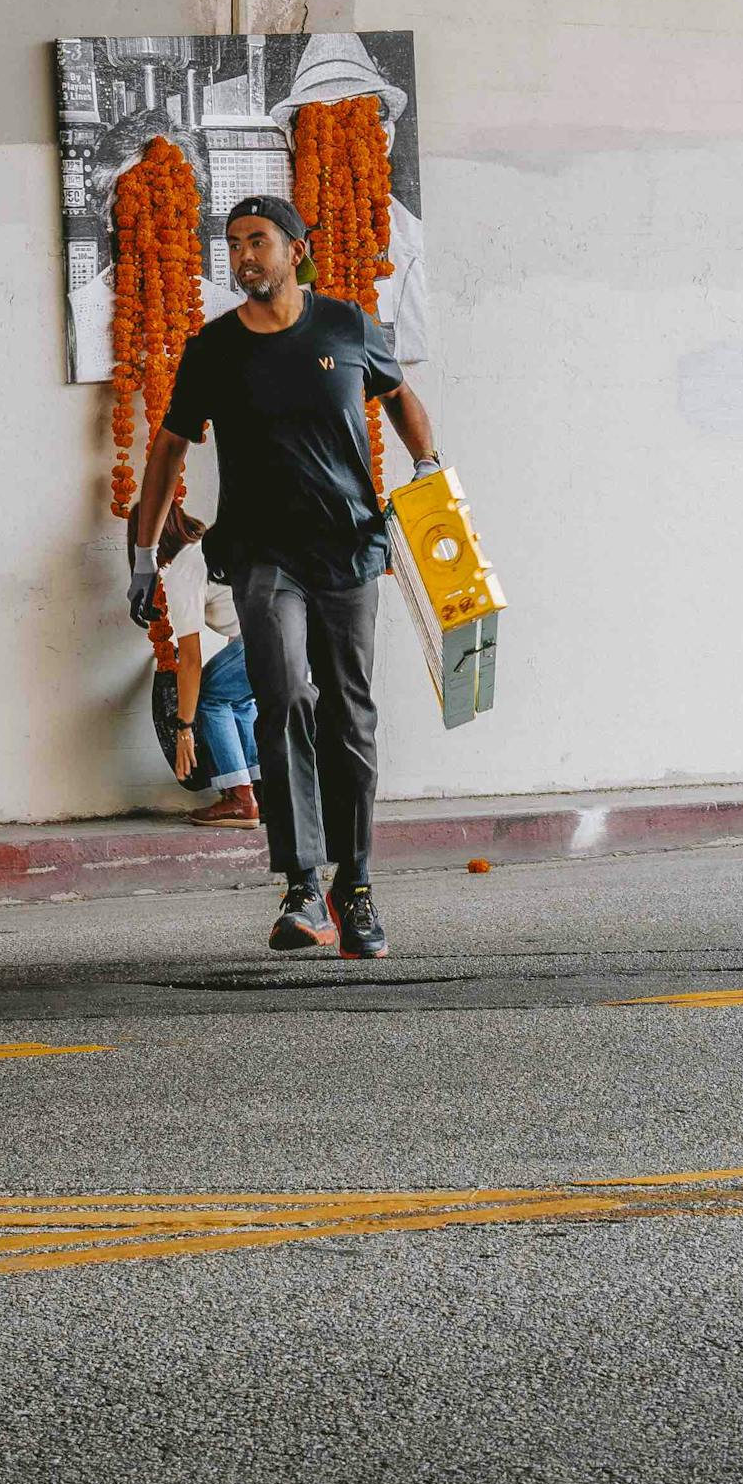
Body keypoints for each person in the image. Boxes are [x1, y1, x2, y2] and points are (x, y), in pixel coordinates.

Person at [125, 195, 442, 957]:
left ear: (296, 249)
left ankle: (355, 885)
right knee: (284, 696)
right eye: (232, 243)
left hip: (349, 550)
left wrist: (428, 473)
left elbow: (398, 397)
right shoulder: (214, 350)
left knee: (352, 713)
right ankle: (302, 884)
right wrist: (143, 556)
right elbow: (169, 447)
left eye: (258, 241)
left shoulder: (346, 326)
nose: (243, 256)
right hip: (262, 554)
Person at [149, 509, 261, 827]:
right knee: (237, 697)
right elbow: (241, 615)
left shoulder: (184, 568)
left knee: (210, 693)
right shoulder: (209, 551)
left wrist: (184, 727)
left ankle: (238, 797)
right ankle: (259, 791)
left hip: (271, 634)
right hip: (303, 628)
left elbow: (191, 661)